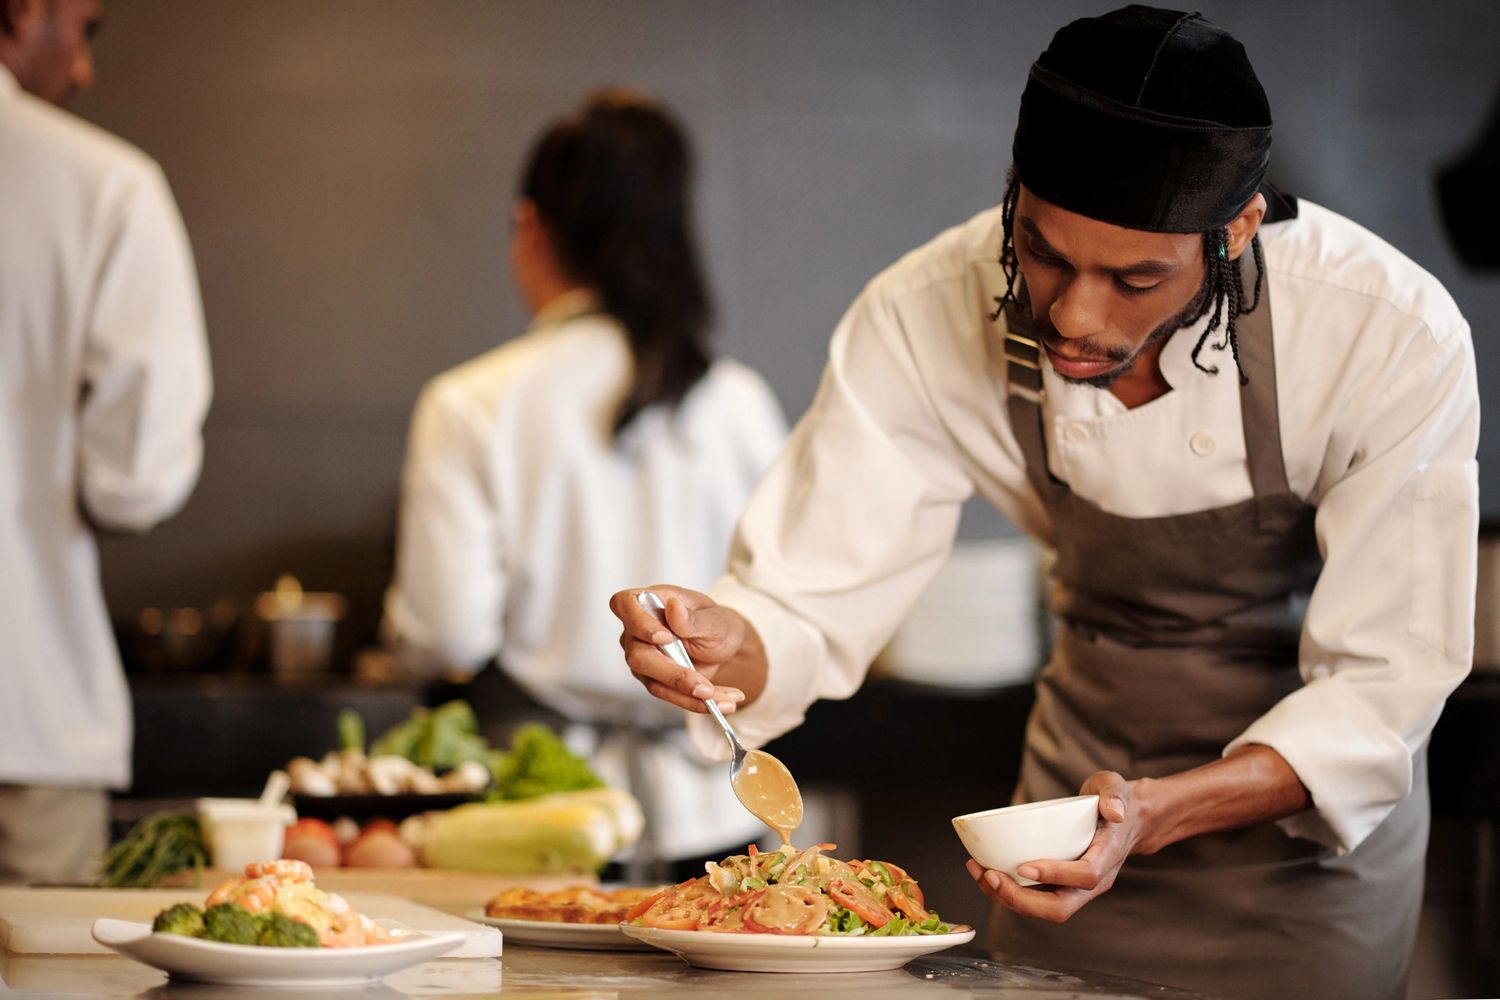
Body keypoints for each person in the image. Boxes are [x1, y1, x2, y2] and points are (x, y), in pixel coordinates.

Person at [609, 7, 1478, 999]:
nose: (1073, 315)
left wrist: (1158, 810)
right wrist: (729, 640)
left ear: (1236, 228)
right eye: (1045, 252)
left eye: (1137, 277)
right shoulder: (925, 306)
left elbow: (1384, 681)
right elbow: (808, 596)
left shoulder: (1386, 330)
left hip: (1306, 851)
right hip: (1068, 823)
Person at [383, 89, 787, 872]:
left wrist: (398, 636)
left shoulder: (471, 402)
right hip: (718, 804)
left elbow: (446, 633)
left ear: (531, 227)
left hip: (538, 816)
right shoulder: (739, 402)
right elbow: (786, 607)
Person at [0, 0, 212, 883]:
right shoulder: (101, 186)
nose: (83, 69)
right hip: (24, 705)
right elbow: (136, 478)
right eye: (82, 26)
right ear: (25, 8)